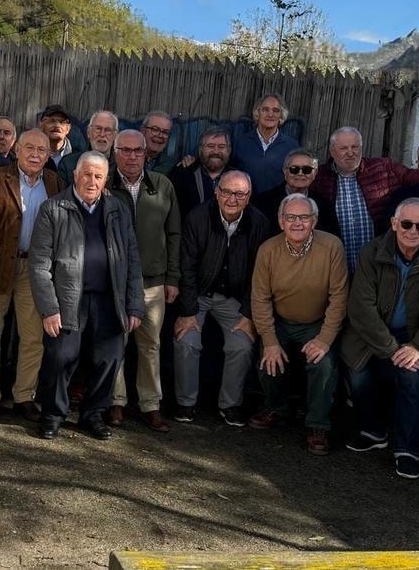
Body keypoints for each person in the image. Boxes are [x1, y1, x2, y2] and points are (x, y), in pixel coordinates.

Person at [341, 198, 419, 479]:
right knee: (358, 374)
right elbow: (361, 307)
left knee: (411, 379)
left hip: (416, 337)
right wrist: (392, 349)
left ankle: (407, 449)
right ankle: (373, 430)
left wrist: (418, 347)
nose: (413, 231)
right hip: (373, 333)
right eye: (406, 223)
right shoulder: (372, 251)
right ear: (394, 224)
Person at [29, 152, 145, 441]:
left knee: (109, 359)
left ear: (106, 179)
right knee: (61, 358)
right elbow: (39, 264)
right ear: (75, 175)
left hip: (109, 299)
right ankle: (53, 415)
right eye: (86, 174)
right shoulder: (53, 208)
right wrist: (49, 309)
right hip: (68, 299)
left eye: (98, 175)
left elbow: (132, 261)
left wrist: (135, 305)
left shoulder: (118, 209)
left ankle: (92, 414)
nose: (91, 181)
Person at [249, 194, 348, 456]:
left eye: (304, 217)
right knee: (268, 359)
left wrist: (325, 339)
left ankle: (317, 425)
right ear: (281, 221)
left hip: (317, 322)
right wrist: (269, 340)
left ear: (314, 221)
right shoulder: (268, 250)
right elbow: (259, 298)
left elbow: (339, 298)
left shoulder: (332, 247)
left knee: (324, 364)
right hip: (281, 320)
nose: (297, 223)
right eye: (291, 217)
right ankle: (276, 408)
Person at [0, 129, 62, 423]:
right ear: (16, 150)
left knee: (33, 336)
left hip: (35, 269)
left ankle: (24, 396)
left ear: (48, 155)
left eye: (41, 150)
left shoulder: (55, 182)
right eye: (29, 148)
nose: (36, 154)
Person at [171, 171, 269, 426]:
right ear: (216, 192)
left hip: (234, 297)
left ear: (248, 197)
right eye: (227, 192)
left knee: (242, 344)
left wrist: (248, 314)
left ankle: (230, 404)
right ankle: (185, 402)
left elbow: (259, 276)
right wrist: (188, 311)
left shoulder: (259, 223)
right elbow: (187, 268)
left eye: (239, 194)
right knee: (186, 339)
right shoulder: (197, 217)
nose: (232, 199)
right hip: (199, 294)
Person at [105, 130, 181, 432]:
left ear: (146, 153)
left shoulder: (162, 185)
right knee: (116, 343)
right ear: (115, 152)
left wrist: (172, 277)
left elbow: (174, 234)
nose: (133, 156)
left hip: (153, 282)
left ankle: (151, 405)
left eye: (138, 151)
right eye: (126, 150)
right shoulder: (104, 185)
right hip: (115, 281)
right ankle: (116, 402)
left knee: (150, 345)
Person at [311, 126, 418, 272]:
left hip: (379, 267)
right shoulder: (319, 177)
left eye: (355, 147)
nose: (351, 153)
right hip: (337, 269)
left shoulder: (383, 168)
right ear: (332, 152)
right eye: (343, 148)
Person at [251, 148, 339, 236]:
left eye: (307, 169)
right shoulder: (262, 203)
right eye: (294, 169)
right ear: (285, 171)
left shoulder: (325, 206)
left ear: (314, 173)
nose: (300, 173)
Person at [231, 94, 301, 194]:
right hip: (246, 203)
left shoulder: (292, 146)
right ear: (257, 113)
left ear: (281, 116)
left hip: (278, 205)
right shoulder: (240, 142)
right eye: (265, 110)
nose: (270, 114)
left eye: (275, 110)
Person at [169, 127, 231, 216]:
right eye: (211, 146)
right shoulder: (182, 173)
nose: (216, 151)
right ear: (200, 149)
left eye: (221, 147)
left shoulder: (238, 179)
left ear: (229, 151)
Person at [58, 110, 117, 184]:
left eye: (108, 130)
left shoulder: (122, 165)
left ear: (115, 135)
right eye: (98, 129)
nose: (102, 134)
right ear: (88, 132)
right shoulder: (68, 164)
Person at [141, 111, 178, 175]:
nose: (160, 135)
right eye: (155, 130)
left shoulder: (173, 167)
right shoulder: (128, 159)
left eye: (165, 132)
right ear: (143, 131)